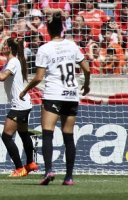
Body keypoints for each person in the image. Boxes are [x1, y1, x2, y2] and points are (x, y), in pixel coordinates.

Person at [19, 12, 91, 185]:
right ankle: (69, 177)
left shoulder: (44, 49)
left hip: (53, 94)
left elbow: (38, 78)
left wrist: (24, 91)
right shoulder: (72, 46)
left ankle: (49, 171)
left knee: (48, 134)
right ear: (62, 29)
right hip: (71, 95)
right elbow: (87, 69)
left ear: (48, 30)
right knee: (68, 136)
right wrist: (86, 84)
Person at [0, 36, 37, 177]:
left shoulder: (14, 62)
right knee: (23, 134)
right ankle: (30, 163)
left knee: (6, 137)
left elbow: (1, 77)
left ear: (9, 48)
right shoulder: (9, 63)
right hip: (24, 104)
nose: (2, 47)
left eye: (4, 45)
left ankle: (19, 168)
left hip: (19, 105)